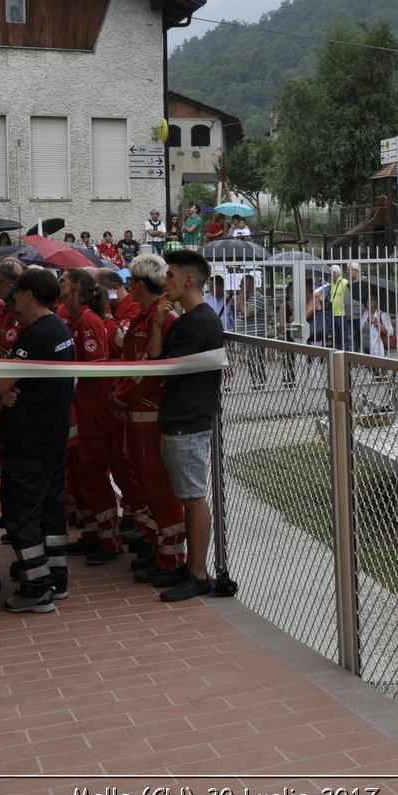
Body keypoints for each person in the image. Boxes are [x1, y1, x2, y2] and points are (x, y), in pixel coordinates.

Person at [0, 267, 76, 614]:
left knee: (19, 510)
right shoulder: (59, 329)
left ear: (27, 294)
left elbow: (0, 384)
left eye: (16, 293)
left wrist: (5, 391)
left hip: (29, 439)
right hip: (52, 437)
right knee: (49, 510)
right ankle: (55, 577)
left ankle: (37, 587)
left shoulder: (36, 334)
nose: (13, 300)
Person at [152, 249, 224, 603]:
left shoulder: (201, 321)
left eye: (170, 275)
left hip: (189, 422)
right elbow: (158, 360)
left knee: (194, 497)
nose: (165, 281)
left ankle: (198, 573)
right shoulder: (185, 319)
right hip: (178, 418)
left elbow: (165, 367)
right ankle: (192, 566)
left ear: (188, 280)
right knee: (187, 495)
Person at [112, 253, 186, 587]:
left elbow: (151, 371)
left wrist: (121, 395)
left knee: (161, 489)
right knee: (149, 487)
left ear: (138, 284)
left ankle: (172, 559)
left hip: (151, 415)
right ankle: (160, 550)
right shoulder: (146, 317)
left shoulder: (163, 319)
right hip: (138, 415)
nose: (127, 288)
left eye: (130, 282)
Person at [60, 267, 122, 564]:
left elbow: (95, 372)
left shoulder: (88, 321)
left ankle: (110, 541)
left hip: (92, 415)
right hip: (79, 413)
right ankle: (92, 534)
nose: (58, 285)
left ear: (75, 287)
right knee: (81, 477)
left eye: (63, 281)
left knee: (93, 476)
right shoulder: (75, 319)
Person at [331, 263, 359, 351]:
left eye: (331, 274)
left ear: (335, 273)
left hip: (342, 314)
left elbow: (348, 297)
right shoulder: (332, 284)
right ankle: (337, 355)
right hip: (334, 314)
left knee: (345, 336)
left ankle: (346, 354)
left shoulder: (344, 282)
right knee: (336, 337)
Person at [360, 292, 395, 357]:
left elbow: (390, 332)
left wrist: (377, 323)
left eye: (372, 299)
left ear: (378, 303)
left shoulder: (383, 315)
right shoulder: (365, 314)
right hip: (364, 351)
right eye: (368, 299)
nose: (368, 301)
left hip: (377, 351)